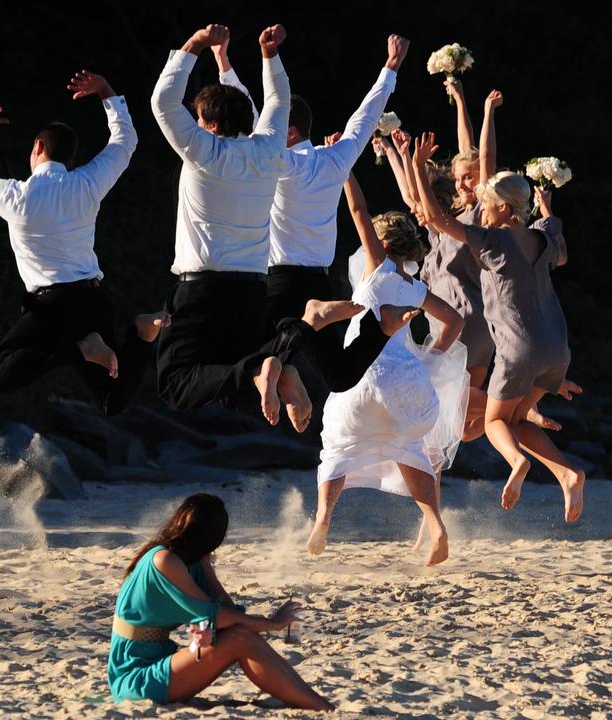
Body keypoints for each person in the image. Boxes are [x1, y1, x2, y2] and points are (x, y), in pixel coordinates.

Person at [151, 24, 409, 431]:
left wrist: (204, 48)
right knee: (317, 375)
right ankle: (347, 335)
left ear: (212, 125)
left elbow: (183, 104)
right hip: (274, 284)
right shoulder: (300, 156)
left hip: (244, 284)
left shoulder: (253, 158)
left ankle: (298, 336)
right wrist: (389, 69)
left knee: (178, 385)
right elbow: (347, 118)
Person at [0, 70, 160, 415]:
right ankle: (141, 335)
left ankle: (83, 348)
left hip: (51, 309)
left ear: (38, 147)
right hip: (92, 300)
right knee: (110, 401)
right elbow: (125, 142)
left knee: (0, 377)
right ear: (70, 159)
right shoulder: (88, 183)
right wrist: (106, 90)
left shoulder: (17, 196)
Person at [213, 34, 409, 397]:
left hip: (277, 282)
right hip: (318, 283)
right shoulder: (334, 161)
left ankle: (280, 372)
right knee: (338, 377)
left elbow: (250, 118)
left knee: (240, 354)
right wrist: (391, 66)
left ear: (288, 131)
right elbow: (364, 119)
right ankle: (380, 329)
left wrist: (227, 63)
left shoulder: (279, 162)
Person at [410, 130, 586, 524]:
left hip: (518, 349)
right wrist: (546, 208)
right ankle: (567, 473)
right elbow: (558, 243)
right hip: (558, 349)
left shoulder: (492, 242)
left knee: (493, 422)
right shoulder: (543, 237)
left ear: (506, 209)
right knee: (519, 420)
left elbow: (437, 219)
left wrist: (420, 171)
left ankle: (517, 464)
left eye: (488, 206)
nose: (482, 211)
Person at [305, 173, 466, 566]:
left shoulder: (375, 270)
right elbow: (455, 321)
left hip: (363, 374)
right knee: (410, 450)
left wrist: (344, 170)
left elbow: (358, 210)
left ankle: (325, 515)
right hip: (406, 381)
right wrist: (431, 358)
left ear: (383, 245)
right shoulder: (415, 288)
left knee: (337, 445)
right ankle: (436, 525)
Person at [108, 493, 334, 711]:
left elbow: (226, 611)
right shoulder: (164, 559)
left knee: (241, 634)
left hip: (160, 659)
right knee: (240, 638)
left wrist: (207, 567)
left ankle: (315, 702)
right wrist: (273, 623)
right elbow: (217, 617)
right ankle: (320, 706)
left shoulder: (191, 561)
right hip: (135, 675)